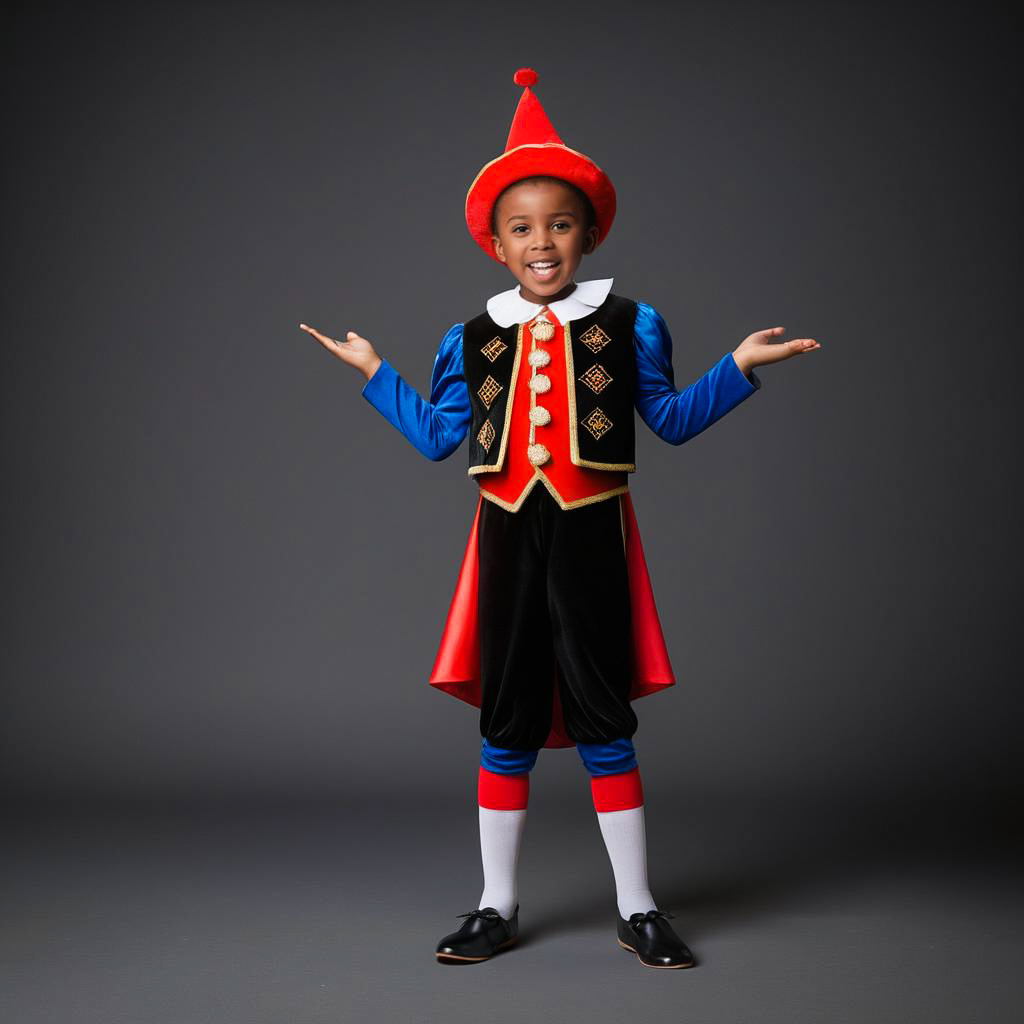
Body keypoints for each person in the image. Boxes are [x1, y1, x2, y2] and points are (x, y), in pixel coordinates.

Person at [299, 68, 820, 969]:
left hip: (592, 538)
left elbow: (671, 421)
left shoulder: (632, 321)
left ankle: (639, 907)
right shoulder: (470, 336)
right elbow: (438, 438)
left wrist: (737, 364)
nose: (543, 242)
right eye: (522, 229)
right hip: (504, 539)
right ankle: (494, 905)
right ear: (496, 245)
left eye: (559, 224)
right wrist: (374, 372)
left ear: (587, 232)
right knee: (504, 721)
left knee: (603, 717)